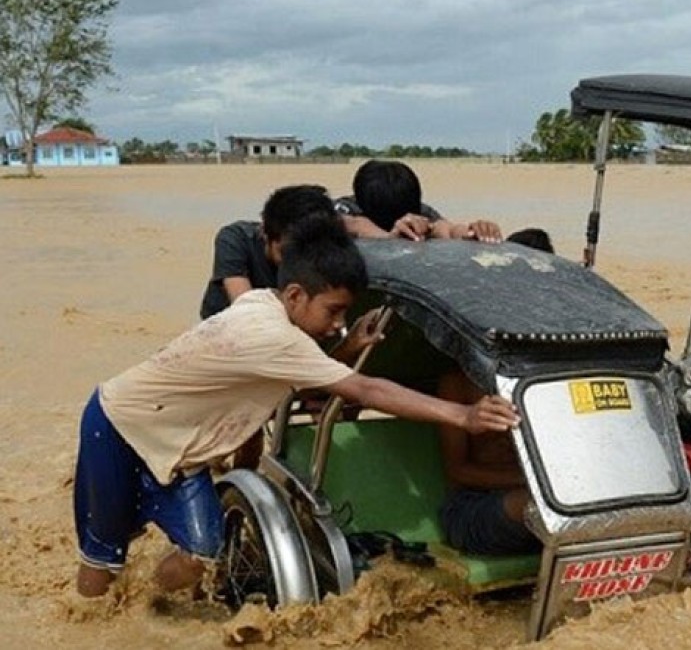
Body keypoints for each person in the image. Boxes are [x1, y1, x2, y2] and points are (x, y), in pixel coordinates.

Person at [74, 193, 520, 599]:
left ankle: (138, 602)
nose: (338, 323)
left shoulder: (264, 305)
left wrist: (344, 348)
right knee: (104, 555)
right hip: (120, 426)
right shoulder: (269, 334)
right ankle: (97, 615)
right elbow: (365, 388)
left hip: (177, 441)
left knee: (203, 553)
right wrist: (462, 415)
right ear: (294, 294)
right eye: (334, 311)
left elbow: (295, 378)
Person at [436, 228, 554, 556]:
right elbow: (458, 471)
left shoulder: (552, 368)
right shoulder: (458, 381)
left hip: (552, 494)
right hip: (478, 507)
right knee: (540, 508)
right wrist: (535, 484)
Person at [199, 184, 337, 319]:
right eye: (287, 252)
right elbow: (246, 309)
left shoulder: (321, 250)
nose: (294, 261)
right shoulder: (236, 240)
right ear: (265, 233)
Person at [336, 159, 502, 243]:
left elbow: (443, 228)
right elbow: (355, 225)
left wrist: (474, 232)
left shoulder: (419, 211)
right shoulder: (347, 208)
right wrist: (390, 238)